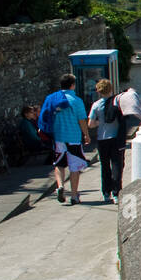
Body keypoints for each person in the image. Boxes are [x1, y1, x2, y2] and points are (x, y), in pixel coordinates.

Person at [38, 73, 92, 205]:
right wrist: (86, 134)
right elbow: (82, 120)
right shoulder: (76, 101)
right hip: (73, 137)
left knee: (59, 164)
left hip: (58, 137)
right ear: (72, 85)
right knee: (74, 167)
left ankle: (60, 185)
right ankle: (74, 196)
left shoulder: (52, 99)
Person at [88, 79, 123, 204]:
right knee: (116, 165)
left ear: (98, 91)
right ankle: (116, 192)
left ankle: (106, 192)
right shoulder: (117, 103)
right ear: (111, 89)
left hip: (102, 139)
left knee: (105, 166)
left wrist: (100, 122)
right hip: (115, 138)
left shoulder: (96, 105)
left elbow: (90, 124)